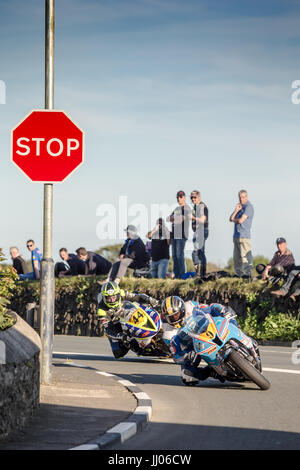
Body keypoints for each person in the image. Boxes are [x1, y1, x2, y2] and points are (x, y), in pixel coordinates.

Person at [161, 296, 238, 385]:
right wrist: (185, 355)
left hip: (209, 327)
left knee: (224, 314)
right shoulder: (168, 334)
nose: (174, 318)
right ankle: (212, 370)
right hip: (193, 346)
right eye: (170, 317)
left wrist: (224, 313)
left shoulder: (190, 305)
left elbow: (210, 307)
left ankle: (238, 333)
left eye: (176, 314)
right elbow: (176, 356)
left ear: (182, 309)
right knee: (188, 376)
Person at [97, 281, 159, 358]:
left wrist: (149, 299)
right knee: (118, 353)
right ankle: (137, 348)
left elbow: (136, 296)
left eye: (114, 297)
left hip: (128, 312)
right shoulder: (101, 311)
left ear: (118, 294)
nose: (112, 300)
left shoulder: (122, 293)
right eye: (109, 298)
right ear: (104, 297)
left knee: (143, 305)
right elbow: (108, 329)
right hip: (115, 324)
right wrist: (120, 335)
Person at [229, 189, 254, 279]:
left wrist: (234, 220)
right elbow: (230, 218)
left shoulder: (249, 207)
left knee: (245, 256)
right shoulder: (240, 207)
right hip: (236, 235)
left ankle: (248, 274)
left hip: (244, 235)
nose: (241, 199)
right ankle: (238, 273)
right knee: (236, 257)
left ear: (246, 197)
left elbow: (240, 220)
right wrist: (236, 210)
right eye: (240, 197)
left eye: (243, 197)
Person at [167, 191, 192, 279]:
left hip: (181, 234)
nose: (179, 199)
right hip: (174, 234)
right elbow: (169, 218)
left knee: (179, 254)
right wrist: (175, 218)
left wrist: (175, 218)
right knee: (174, 255)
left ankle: (182, 275)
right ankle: (177, 275)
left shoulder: (187, 208)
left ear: (184, 197)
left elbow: (182, 219)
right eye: (178, 197)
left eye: (181, 197)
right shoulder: (177, 208)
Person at [190, 190, 209, 278]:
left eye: (195, 197)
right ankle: (202, 273)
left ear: (199, 197)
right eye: (192, 198)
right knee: (199, 252)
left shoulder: (202, 206)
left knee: (196, 253)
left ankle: (199, 273)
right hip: (197, 231)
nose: (193, 199)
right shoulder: (195, 207)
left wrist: (193, 217)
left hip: (201, 231)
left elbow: (203, 220)